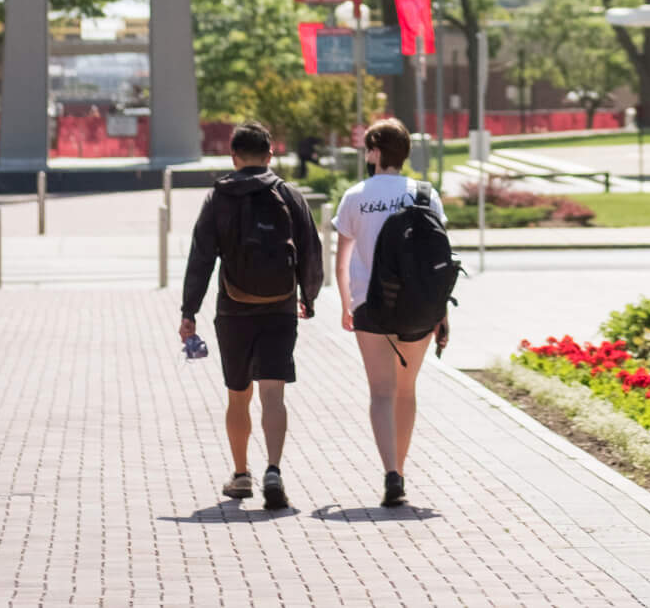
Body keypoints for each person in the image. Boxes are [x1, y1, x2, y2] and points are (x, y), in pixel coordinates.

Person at [180, 120, 323, 510]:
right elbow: (311, 250)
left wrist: (188, 310)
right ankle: (273, 470)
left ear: (234, 156)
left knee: (238, 394)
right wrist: (308, 297)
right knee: (273, 392)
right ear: (270, 154)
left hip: (234, 309)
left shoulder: (219, 199)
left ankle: (241, 475)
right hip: (279, 307)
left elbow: (201, 258)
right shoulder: (289, 195)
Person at [333, 118, 449, 508]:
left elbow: (343, 258)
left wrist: (347, 303)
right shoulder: (425, 194)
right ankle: (401, 466)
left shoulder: (355, 196)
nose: (366, 156)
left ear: (377, 151)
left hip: (371, 305)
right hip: (418, 307)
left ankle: (391, 474)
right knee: (406, 389)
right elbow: (440, 257)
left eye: (368, 149)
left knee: (380, 392)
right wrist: (442, 313)